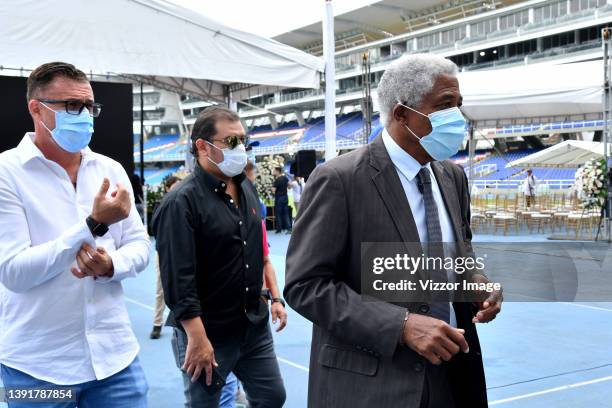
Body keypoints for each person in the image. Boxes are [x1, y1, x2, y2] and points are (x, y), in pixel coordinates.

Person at [284, 54, 502, 408]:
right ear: (402, 113)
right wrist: (400, 325)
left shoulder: (452, 177)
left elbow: (460, 253)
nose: (457, 118)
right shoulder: (339, 180)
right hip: (373, 384)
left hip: (452, 376)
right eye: (445, 105)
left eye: (459, 105)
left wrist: (475, 281)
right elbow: (305, 286)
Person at [0, 62, 150, 407]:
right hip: (35, 367)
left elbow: (140, 245)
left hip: (115, 359)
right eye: (71, 105)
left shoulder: (110, 170)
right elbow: (13, 272)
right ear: (36, 109)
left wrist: (111, 264)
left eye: (88, 106)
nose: (83, 115)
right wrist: (92, 225)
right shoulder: (6, 174)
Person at [153, 106, 286, 408]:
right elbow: (178, 277)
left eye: (243, 139)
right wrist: (197, 338)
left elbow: (255, 253)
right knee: (205, 404)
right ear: (202, 146)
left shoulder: (246, 187)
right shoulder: (181, 202)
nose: (241, 148)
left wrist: (272, 298)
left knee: (272, 397)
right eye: (232, 141)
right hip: (207, 332)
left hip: (252, 326)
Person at [150, 175, 181, 340]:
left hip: (183, 253)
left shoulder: (185, 204)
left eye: (179, 185)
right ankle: (157, 323)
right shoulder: (160, 206)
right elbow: (156, 230)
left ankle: (182, 321)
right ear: (168, 188)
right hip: (163, 252)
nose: (177, 188)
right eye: (174, 186)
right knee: (161, 289)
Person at [272, 167, 291, 234]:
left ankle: (279, 229)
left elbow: (273, 190)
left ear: (278, 171)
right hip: (285, 197)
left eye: (274, 171)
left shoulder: (277, 180)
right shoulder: (285, 178)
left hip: (279, 198)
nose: (273, 172)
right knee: (286, 213)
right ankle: (289, 228)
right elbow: (289, 185)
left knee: (278, 214)